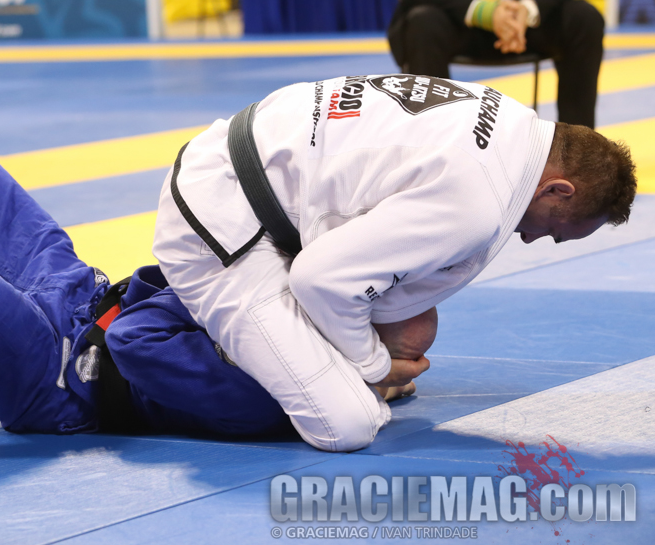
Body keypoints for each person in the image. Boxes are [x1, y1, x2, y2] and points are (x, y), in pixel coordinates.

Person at [0, 143, 432, 469]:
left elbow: (138, 343)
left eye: (370, 308)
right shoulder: (310, 321)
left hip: (63, 376)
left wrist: (234, 277)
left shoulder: (278, 391)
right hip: (86, 297)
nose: (352, 293)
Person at [153, 73, 636, 452]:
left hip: (260, 179)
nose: (531, 238)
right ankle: (141, 346)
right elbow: (320, 280)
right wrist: (375, 367)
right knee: (347, 422)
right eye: (553, 230)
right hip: (222, 223)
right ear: (558, 189)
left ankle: (269, 337)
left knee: (403, 329)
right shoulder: (479, 203)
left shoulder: (509, 117)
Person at [386, 0, 605, 128]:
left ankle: (579, 145)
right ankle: (438, 140)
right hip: (461, 22)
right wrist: (486, 13)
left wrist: (527, 9)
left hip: (524, 25)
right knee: (422, 24)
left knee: (585, 18)